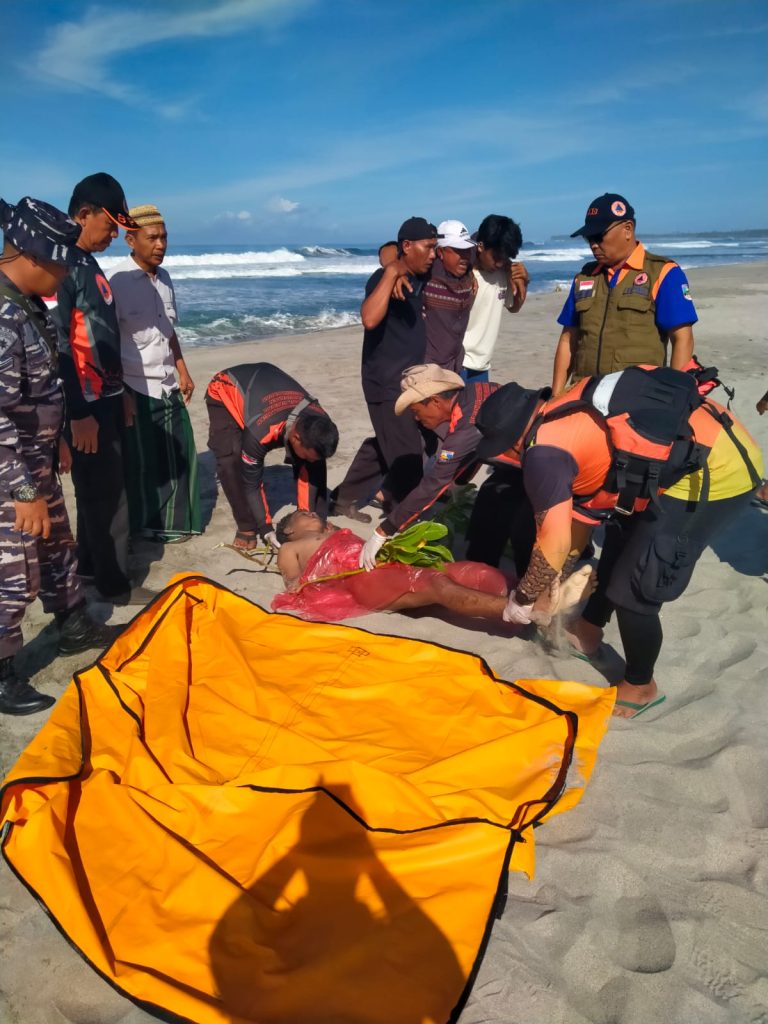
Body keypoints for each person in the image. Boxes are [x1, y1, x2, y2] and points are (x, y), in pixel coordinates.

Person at [474, 376, 764, 720]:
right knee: (618, 542)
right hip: (686, 453)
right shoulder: (561, 409)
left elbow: (554, 541)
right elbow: (584, 513)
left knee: (638, 584)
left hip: (715, 472)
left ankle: (641, 684)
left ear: (513, 440)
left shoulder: (543, 455)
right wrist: (560, 578)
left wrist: (522, 600)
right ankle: (589, 630)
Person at [0, 197, 121, 716]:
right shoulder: (3, 317)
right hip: (10, 473)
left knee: (57, 550)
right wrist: (22, 489)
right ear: (30, 256)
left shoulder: (28, 306)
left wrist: (58, 439)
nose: (64, 276)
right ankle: (3, 673)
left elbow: (40, 383)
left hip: (38, 458)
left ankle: (71, 624)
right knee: (12, 572)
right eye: (59, 264)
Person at [52, 172, 155, 605]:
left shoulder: (87, 263)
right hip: (85, 406)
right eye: (110, 226)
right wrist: (77, 414)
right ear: (83, 215)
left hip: (107, 398)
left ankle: (93, 567)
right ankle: (112, 584)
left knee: (103, 489)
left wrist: (122, 392)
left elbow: (101, 337)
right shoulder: (60, 269)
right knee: (106, 494)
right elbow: (59, 348)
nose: (114, 235)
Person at [271, 510, 593, 625]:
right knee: (436, 585)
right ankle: (527, 611)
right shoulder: (290, 546)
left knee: (461, 570)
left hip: (387, 564)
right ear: (289, 530)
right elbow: (294, 586)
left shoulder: (333, 531)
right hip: (362, 580)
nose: (309, 510)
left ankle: (532, 595)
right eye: (301, 512)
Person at [330, 217, 437, 519]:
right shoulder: (383, 278)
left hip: (411, 382)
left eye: (435, 248)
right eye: (428, 248)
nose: (433, 254)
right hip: (385, 382)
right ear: (408, 246)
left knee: (392, 442)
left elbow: (388, 248)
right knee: (408, 459)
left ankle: (343, 499)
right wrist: (391, 271)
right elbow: (369, 319)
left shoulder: (421, 273)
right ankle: (401, 517)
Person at [107, 204, 201, 543]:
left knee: (181, 452)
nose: (160, 244)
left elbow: (168, 331)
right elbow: (107, 342)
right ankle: (147, 526)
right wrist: (120, 393)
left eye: (164, 237)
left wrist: (183, 369)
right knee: (144, 462)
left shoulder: (165, 279)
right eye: (153, 238)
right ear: (131, 240)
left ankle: (175, 525)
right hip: (135, 385)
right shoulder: (115, 281)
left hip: (168, 383)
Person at [552, 193, 697, 396]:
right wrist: (556, 395)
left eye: (599, 236)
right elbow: (568, 339)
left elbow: (683, 339)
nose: (593, 244)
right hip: (583, 395)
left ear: (627, 230)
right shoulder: (585, 277)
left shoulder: (663, 273)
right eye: (589, 238)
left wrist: (674, 397)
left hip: (636, 399)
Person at [357, 364, 497, 570]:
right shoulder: (474, 392)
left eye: (416, 410)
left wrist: (383, 531)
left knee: (496, 519)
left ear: (435, 401)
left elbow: (433, 484)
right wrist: (459, 481)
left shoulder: (465, 429)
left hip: (540, 460)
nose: (416, 418)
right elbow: (476, 451)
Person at [205, 362, 339, 550]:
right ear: (296, 438)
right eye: (307, 455)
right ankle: (246, 526)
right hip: (227, 388)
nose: (310, 460)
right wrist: (265, 527)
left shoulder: (320, 422)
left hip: (269, 386)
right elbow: (251, 484)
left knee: (314, 463)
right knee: (231, 460)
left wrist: (313, 522)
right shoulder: (261, 433)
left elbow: (312, 465)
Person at [461, 214, 529, 383]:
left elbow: (514, 307)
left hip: (483, 365)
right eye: (496, 257)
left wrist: (524, 282)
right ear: (481, 246)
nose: (499, 263)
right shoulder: (463, 273)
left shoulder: (503, 272)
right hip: (459, 363)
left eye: (505, 258)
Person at [423, 220, 476, 373]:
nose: (465, 256)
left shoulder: (467, 267)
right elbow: (393, 251)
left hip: (456, 366)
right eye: (458, 250)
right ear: (440, 252)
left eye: (467, 250)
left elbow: (491, 243)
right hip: (429, 369)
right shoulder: (427, 273)